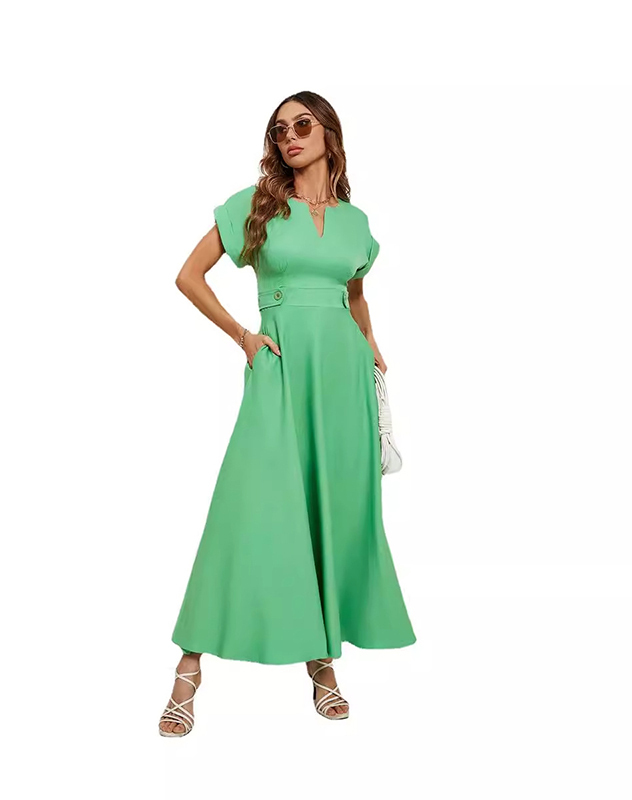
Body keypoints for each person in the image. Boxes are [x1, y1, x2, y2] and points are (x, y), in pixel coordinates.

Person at [159, 91, 416, 737]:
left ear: (329, 133)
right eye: (279, 130)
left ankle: (323, 665)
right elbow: (189, 276)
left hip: (343, 381)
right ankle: (188, 669)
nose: (290, 136)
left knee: (332, 514)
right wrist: (244, 337)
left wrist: (373, 350)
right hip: (279, 371)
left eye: (303, 124)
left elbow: (355, 296)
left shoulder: (356, 223)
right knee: (248, 510)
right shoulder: (257, 206)